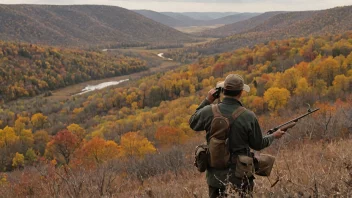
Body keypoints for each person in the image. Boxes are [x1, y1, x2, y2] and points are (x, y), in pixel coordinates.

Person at [189, 74, 285, 198]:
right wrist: (273, 136)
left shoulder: (208, 111)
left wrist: (208, 100)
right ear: (241, 93)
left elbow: (192, 122)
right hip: (241, 178)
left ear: (223, 91)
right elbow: (258, 144)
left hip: (215, 179)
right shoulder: (248, 116)